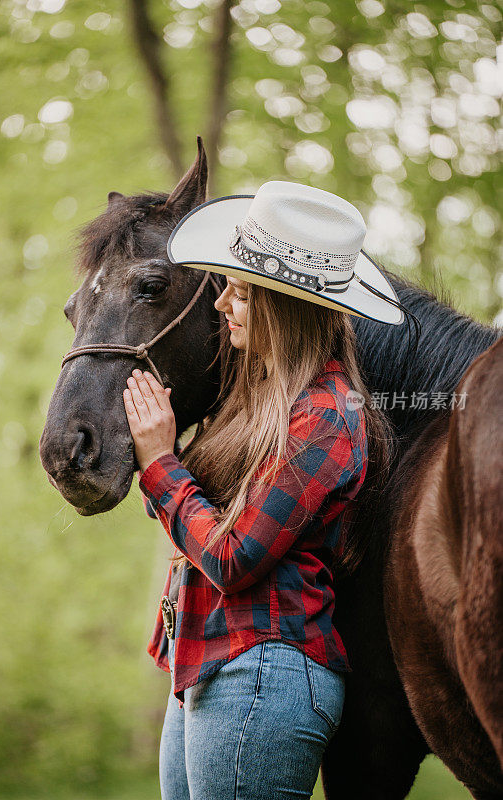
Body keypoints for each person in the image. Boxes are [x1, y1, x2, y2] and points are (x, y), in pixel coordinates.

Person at [122, 181, 408, 800]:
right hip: (205, 663)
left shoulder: (325, 418)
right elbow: (185, 514)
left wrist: (159, 461)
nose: (222, 303)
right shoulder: (255, 402)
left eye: (242, 292)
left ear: (284, 307)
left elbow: (231, 556)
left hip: (262, 676)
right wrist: (161, 464)